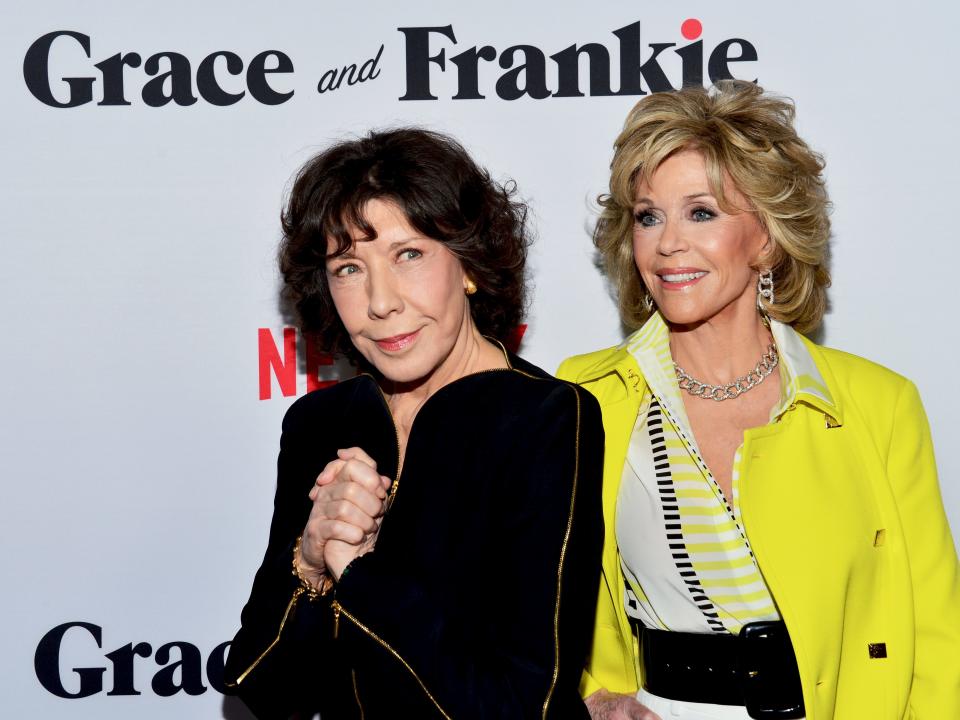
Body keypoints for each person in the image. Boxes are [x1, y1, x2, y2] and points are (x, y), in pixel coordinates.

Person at [558, 82, 960, 719]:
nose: (666, 244)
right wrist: (590, 697)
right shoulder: (584, 398)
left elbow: (938, 635)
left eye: (701, 212)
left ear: (768, 237)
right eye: (647, 215)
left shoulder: (876, 405)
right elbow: (528, 597)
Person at [224, 128, 604, 719]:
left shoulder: (545, 418)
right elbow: (263, 687)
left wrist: (356, 570)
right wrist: (308, 562)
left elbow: (522, 704)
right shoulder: (320, 423)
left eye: (409, 254)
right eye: (348, 267)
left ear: (470, 264)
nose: (381, 301)